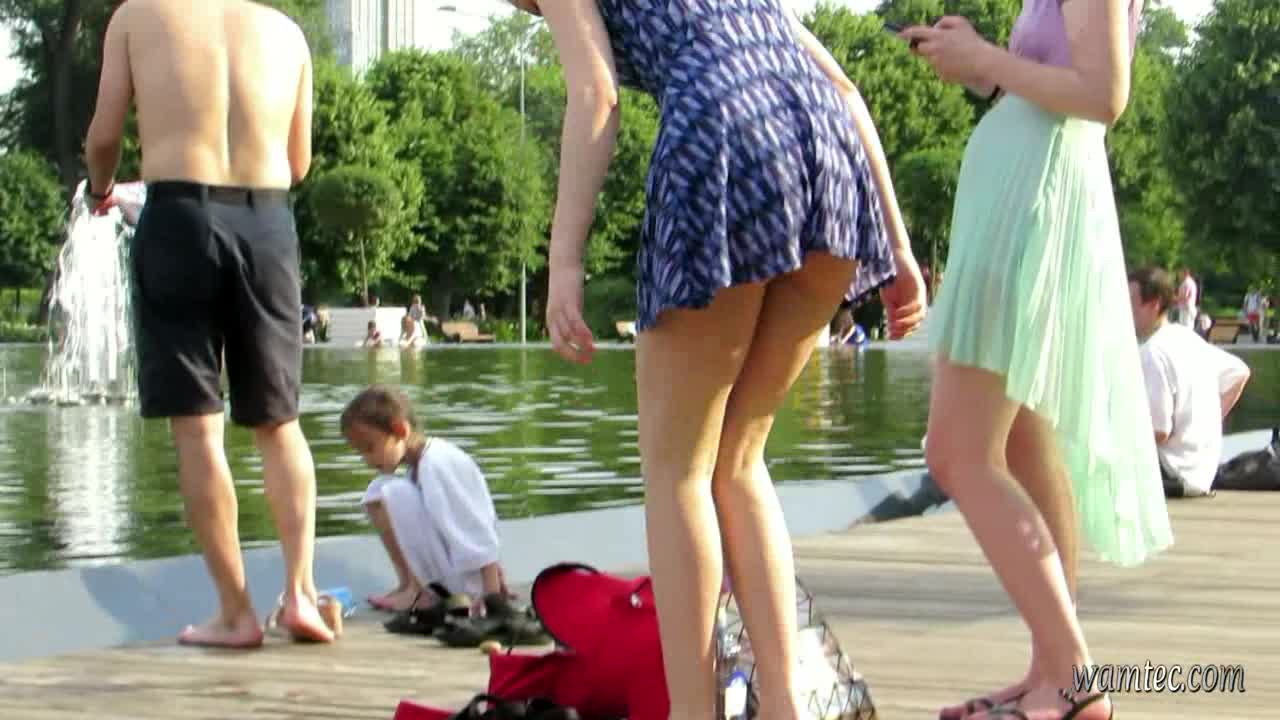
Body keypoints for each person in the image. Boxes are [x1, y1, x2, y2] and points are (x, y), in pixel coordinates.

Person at [510, 2, 926, 719]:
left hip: (722, 131)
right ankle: (785, 706)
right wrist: (900, 248)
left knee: (678, 470)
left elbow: (596, 94)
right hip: (829, 152)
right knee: (738, 458)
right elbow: (845, 89)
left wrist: (565, 263)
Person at [901, 1, 1173, 717]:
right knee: (1024, 442)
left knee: (956, 452)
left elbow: (1103, 94)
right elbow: (1061, 75)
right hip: (1026, 188)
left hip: (1030, 199)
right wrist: (982, 63)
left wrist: (986, 59)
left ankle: (1074, 678)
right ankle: (1050, 670)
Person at [83, 0, 330, 647]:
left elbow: (104, 137)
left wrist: (101, 188)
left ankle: (236, 613)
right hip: (267, 221)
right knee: (279, 422)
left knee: (197, 427)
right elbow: (299, 162)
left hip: (180, 217)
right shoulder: (286, 33)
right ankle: (302, 595)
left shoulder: (137, 16)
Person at [340, 386, 506, 613]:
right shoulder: (420, 463)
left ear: (400, 430)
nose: (367, 460)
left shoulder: (438, 463)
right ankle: (409, 585)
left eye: (370, 448)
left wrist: (491, 592)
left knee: (392, 492)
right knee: (378, 490)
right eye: (361, 453)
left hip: (468, 582)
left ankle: (420, 592)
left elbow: (474, 523)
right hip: (453, 574)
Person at [1129, 267, 1252, 498]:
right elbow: (1240, 372)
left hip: (1171, 472)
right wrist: (1208, 421)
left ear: (1154, 304)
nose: (1124, 311)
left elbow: (1159, 431)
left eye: (1130, 302)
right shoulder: (1188, 338)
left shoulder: (1152, 353)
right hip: (1202, 473)